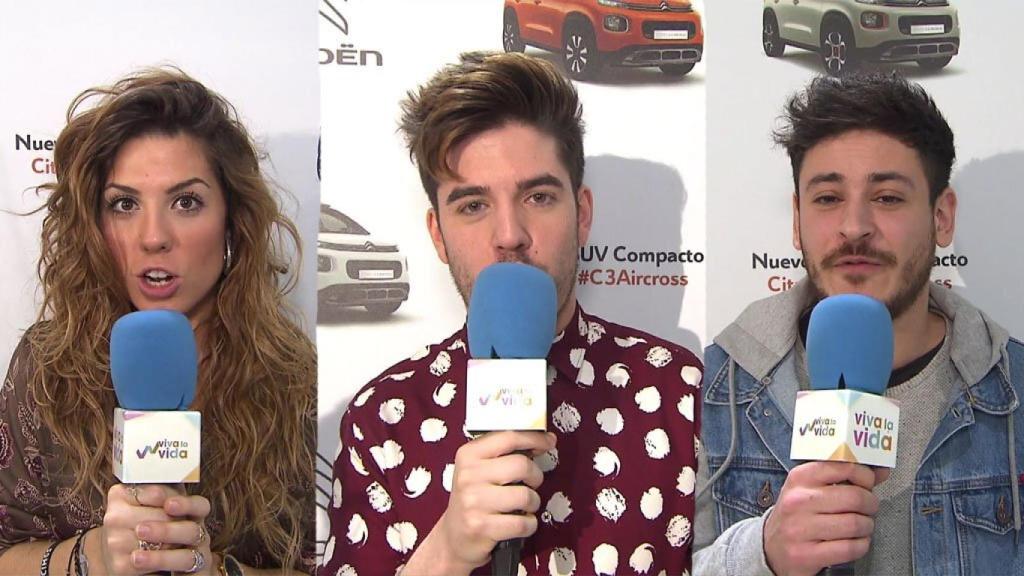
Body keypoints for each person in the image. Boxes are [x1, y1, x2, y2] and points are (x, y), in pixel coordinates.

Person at [322, 52, 703, 576]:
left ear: (582, 214)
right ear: (438, 235)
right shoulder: (384, 419)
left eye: (538, 197)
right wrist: (446, 552)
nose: (509, 236)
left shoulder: (681, 391)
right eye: (473, 206)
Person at [694, 72, 1024, 575]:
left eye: (887, 197)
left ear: (941, 216)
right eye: (828, 198)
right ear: (797, 219)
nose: (854, 227)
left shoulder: (1014, 389)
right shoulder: (713, 389)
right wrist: (762, 553)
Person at [0, 69, 316, 575]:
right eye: (124, 204)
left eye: (185, 202)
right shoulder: (46, 367)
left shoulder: (295, 380)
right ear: (95, 225)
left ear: (232, 220)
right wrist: (92, 558)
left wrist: (216, 571)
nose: (153, 237)